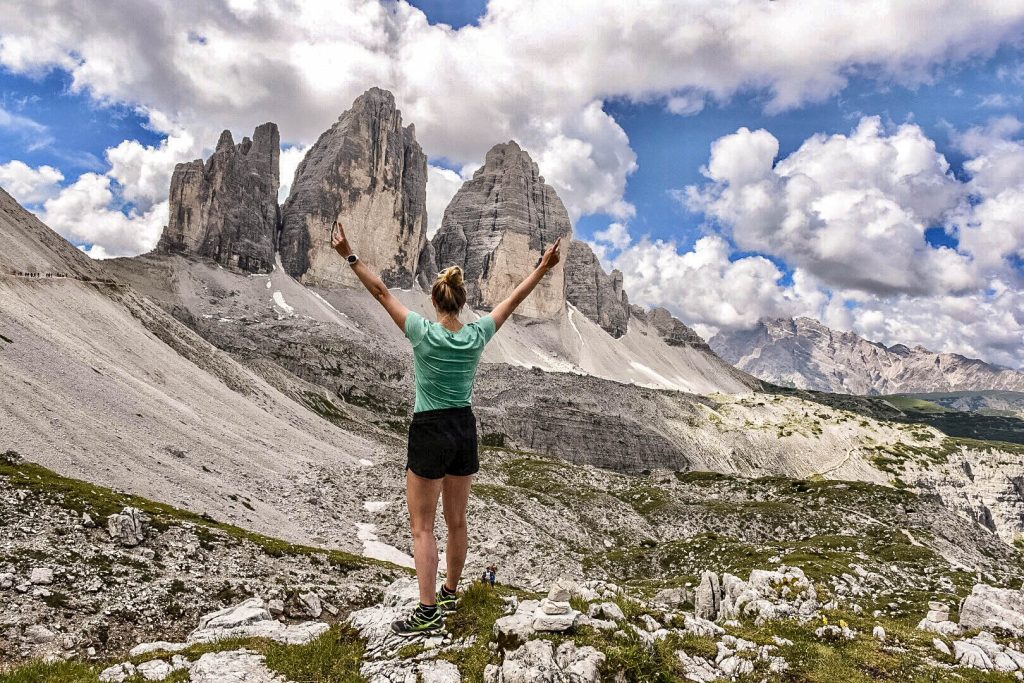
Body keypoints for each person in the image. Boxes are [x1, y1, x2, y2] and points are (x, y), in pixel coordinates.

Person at [331, 220, 562, 637]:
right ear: (461, 303)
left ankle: (427, 610)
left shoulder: (422, 332)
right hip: (464, 427)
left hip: (429, 428)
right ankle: (451, 593)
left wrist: (349, 254)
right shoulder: (476, 335)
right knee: (458, 521)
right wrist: (543, 268)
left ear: (435, 303)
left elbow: (381, 292)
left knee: (422, 526)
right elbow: (512, 299)